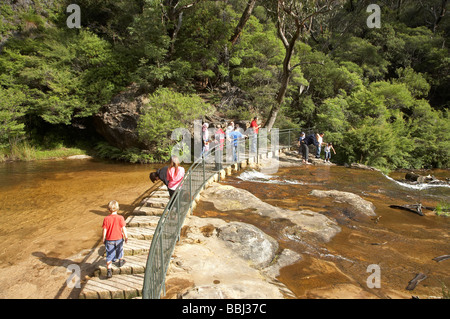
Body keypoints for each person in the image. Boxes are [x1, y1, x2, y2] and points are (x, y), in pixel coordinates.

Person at [102, 200, 128, 279]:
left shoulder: (106, 219)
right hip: (119, 238)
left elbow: (104, 230)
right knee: (120, 249)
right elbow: (123, 228)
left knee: (109, 254)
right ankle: (120, 260)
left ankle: (109, 270)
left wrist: (103, 238)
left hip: (109, 239)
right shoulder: (120, 218)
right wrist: (126, 237)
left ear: (108, 209)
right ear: (118, 208)